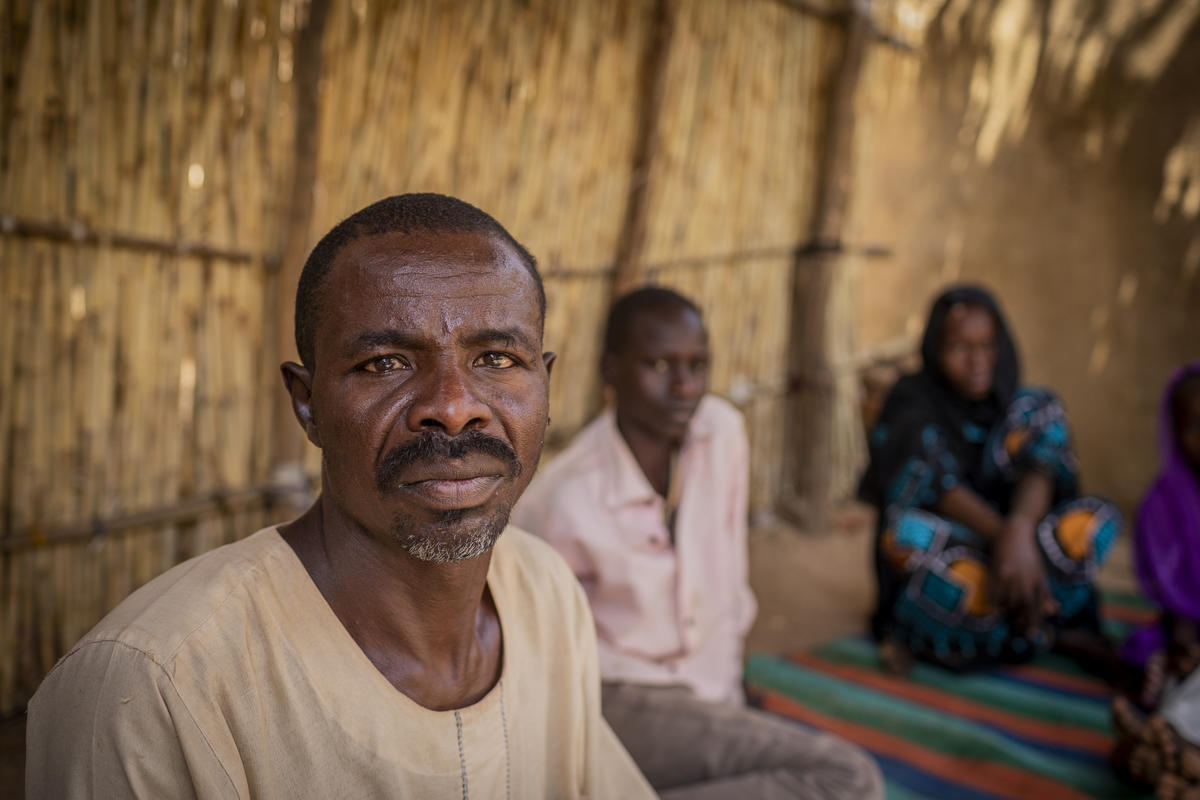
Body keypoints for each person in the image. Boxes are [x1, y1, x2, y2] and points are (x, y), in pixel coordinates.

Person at [26, 194, 654, 799]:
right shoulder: (158, 685)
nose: (455, 408)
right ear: (308, 405)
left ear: (546, 385)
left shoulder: (545, 593)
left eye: (495, 357)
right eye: (385, 363)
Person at [514, 287, 883, 800]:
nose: (684, 386)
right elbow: (540, 653)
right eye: (659, 365)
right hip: (619, 696)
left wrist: (728, 702)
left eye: (698, 365)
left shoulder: (721, 434)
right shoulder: (560, 498)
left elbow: (727, 578)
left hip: (711, 690)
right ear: (610, 370)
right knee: (846, 778)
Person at [858, 284, 1122, 674]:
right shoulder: (911, 401)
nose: (977, 360)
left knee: (1095, 519)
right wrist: (1006, 539)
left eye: (987, 345)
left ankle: (982, 636)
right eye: (960, 347)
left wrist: (1020, 530)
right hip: (966, 551)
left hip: (1025, 554)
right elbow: (938, 484)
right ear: (934, 348)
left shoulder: (1025, 407)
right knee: (906, 538)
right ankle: (1044, 630)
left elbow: (1042, 469)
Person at [1111, 361, 1200, 798]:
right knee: (1171, 672)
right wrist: (1182, 633)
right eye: (1193, 427)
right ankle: (1171, 749)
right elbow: (1171, 592)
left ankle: (1164, 751)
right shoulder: (1164, 503)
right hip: (1187, 639)